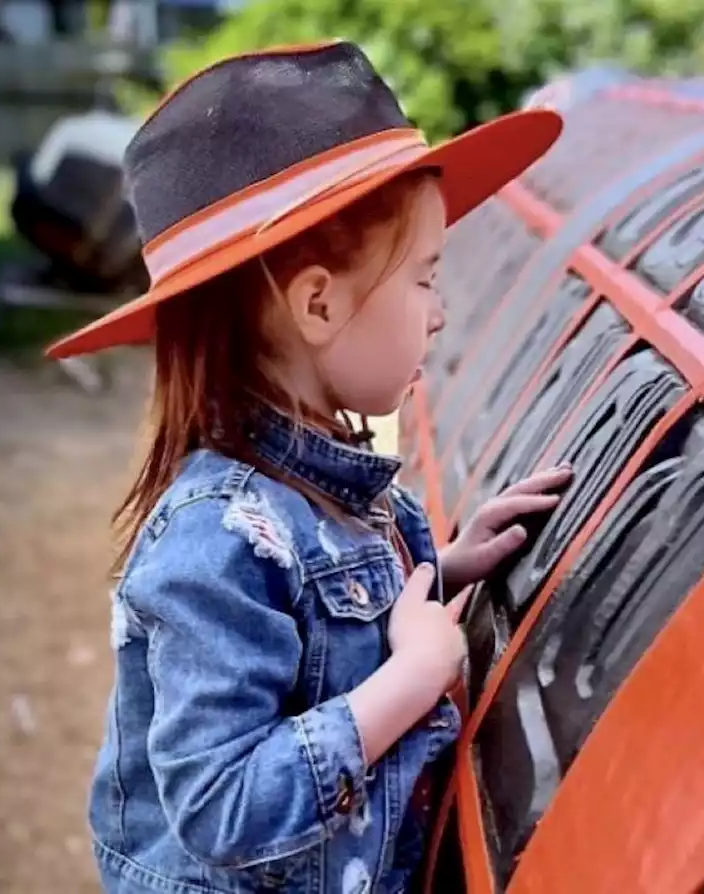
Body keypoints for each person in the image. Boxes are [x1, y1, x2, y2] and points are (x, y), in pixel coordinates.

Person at [45, 41, 569, 894]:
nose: (440, 314)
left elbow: (328, 634)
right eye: (425, 278)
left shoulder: (331, 491)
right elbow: (220, 807)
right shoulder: (216, 538)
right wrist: (413, 679)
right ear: (318, 303)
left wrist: (444, 564)